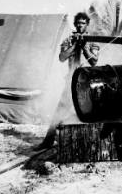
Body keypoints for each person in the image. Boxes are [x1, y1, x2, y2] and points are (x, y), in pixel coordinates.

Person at [34, 12, 100, 150]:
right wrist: (76, 45)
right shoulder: (69, 39)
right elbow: (62, 57)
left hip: (88, 84)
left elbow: (94, 61)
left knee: (89, 112)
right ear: (75, 24)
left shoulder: (93, 40)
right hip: (71, 81)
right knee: (60, 111)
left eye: (83, 23)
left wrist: (84, 47)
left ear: (87, 25)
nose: (80, 25)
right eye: (78, 23)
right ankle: (48, 141)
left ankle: (92, 143)